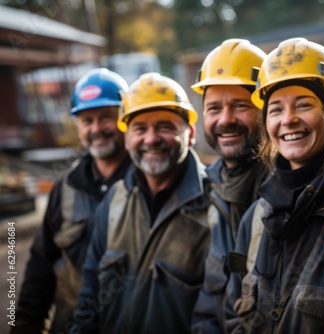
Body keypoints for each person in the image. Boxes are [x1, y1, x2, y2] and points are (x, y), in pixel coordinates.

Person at [224, 37, 324, 333]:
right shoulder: (257, 218)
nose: (289, 119)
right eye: (276, 110)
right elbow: (232, 314)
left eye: (303, 105)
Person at [70, 73, 211, 333]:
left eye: (165, 127)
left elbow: (216, 314)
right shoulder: (115, 200)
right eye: (140, 129)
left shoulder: (215, 208)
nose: (151, 139)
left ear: (190, 134)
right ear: (127, 139)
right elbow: (90, 292)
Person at [13, 68, 132, 334]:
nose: (96, 129)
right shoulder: (65, 188)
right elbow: (40, 268)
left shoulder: (147, 182)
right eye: (86, 120)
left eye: (106, 118)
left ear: (126, 117)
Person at [190, 39, 270, 333]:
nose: (225, 120)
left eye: (239, 106)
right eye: (214, 108)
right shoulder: (206, 191)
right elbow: (208, 303)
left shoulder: (290, 191)